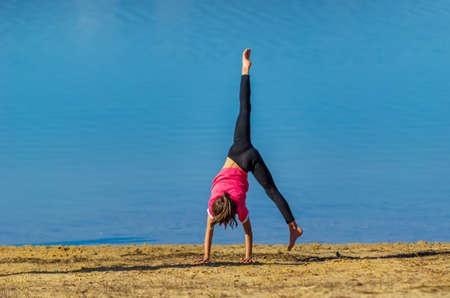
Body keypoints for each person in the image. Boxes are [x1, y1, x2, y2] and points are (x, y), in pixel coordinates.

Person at [194, 48, 303, 264]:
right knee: (245, 109)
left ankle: (295, 229)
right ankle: (245, 69)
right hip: (240, 149)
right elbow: (213, 232)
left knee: (271, 190)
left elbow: (236, 233)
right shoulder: (215, 200)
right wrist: (247, 258)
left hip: (249, 160)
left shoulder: (237, 208)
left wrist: (208, 258)